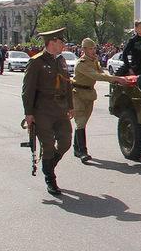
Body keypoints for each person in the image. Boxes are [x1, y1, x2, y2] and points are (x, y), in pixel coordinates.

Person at [22, 28, 74, 195]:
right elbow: (28, 89)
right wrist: (29, 113)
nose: (63, 45)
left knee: (65, 142)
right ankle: (50, 179)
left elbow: (67, 85)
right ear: (52, 42)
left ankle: (49, 166)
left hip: (60, 109)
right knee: (48, 146)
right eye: (61, 42)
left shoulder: (60, 61)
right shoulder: (36, 62)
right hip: (42, 110)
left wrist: (70, 106)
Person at [72, 38, 127, 162]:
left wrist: (115, 78)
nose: (93, 51)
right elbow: (96, 75)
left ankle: (76, 148)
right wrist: (115, 79)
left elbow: (101, 72)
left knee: (83, 122)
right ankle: (83, 152)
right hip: (78, 94)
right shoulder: (81, 63)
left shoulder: (94, 60)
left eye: (94, 48)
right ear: (84, 49)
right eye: (90, 49)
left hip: (89, 93)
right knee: (80, 121)